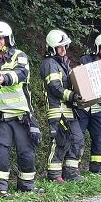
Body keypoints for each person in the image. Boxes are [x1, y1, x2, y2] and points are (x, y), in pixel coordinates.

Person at [0, 21, 37, 196]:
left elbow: (22, 73)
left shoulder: (19, 55)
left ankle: (27, 186)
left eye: (1, 38)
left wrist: (6, 77)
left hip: (20, 115)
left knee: (26, 152)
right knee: (1, 151)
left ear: (8, 38)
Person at [41, 29, 84, 182]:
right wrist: (73, 96)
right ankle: (53, 174)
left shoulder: (64, 63)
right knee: (60, 142)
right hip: (57, 110)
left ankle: (71, 172)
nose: (63, 50)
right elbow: (55, 87)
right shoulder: (49, 64)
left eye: (65, 47)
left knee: (77, 139)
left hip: (69, 110)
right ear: (52, 48)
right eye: (60, 47)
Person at [75, 32, 101, 174]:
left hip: (97, 108)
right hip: (83, 107)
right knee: (78, 138)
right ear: (98, 47)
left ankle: (97, 167)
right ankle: (73, 168)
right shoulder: (86, 59)